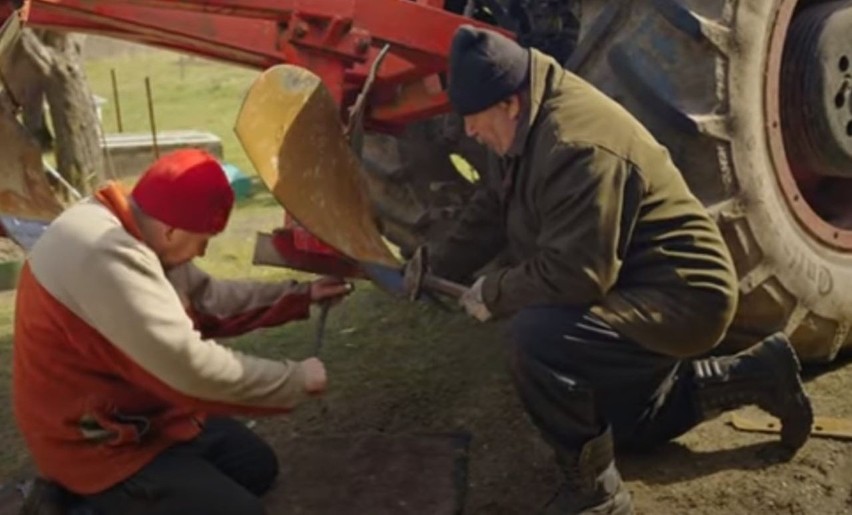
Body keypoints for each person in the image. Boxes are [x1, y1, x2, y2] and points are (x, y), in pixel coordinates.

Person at [424, 25, 814, 514]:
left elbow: (576, 275)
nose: (469, 132)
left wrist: (494, 291)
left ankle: (597, 496)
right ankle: (758, 373)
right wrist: (437, 265)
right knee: (626, 424)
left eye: (474, 120)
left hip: (683, 295)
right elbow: (491, 205)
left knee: (537, 338)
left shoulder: (575, 144)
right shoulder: (520, 116)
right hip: (631, 276)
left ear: (509, 103)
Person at [13, 149, 352, 514]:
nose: (203, 251)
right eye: (203, 239)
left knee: (256, 467)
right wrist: (295, 378)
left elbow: (208, 300)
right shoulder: (106, 259)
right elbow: (189, 370)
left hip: (145, 414)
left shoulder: (140, 226)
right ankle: (68, 503)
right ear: (171, 230)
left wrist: (301, 296)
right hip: (96, 439)